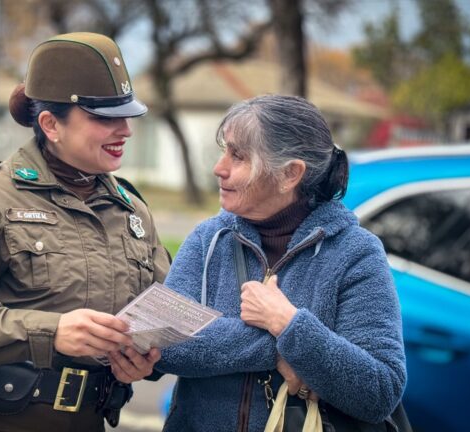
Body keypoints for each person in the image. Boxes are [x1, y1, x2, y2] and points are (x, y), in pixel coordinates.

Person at [0, 32, 171, 432]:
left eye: (127, 116)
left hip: (89, 419)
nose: (125, 131)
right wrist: (51, 332)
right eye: (104, 117)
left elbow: (159, 318)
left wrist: (142, 362)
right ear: (51, 124)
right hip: (0, 418)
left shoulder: (131, 209)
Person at [157, 95, 406, 431]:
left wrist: (288, 322)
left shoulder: (356, 253)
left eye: (238, 156)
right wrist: (277, 346)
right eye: (224, 151)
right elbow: (162, 341)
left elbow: (379, 391)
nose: (219, 168)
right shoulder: (208, 239)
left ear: (290, 174)